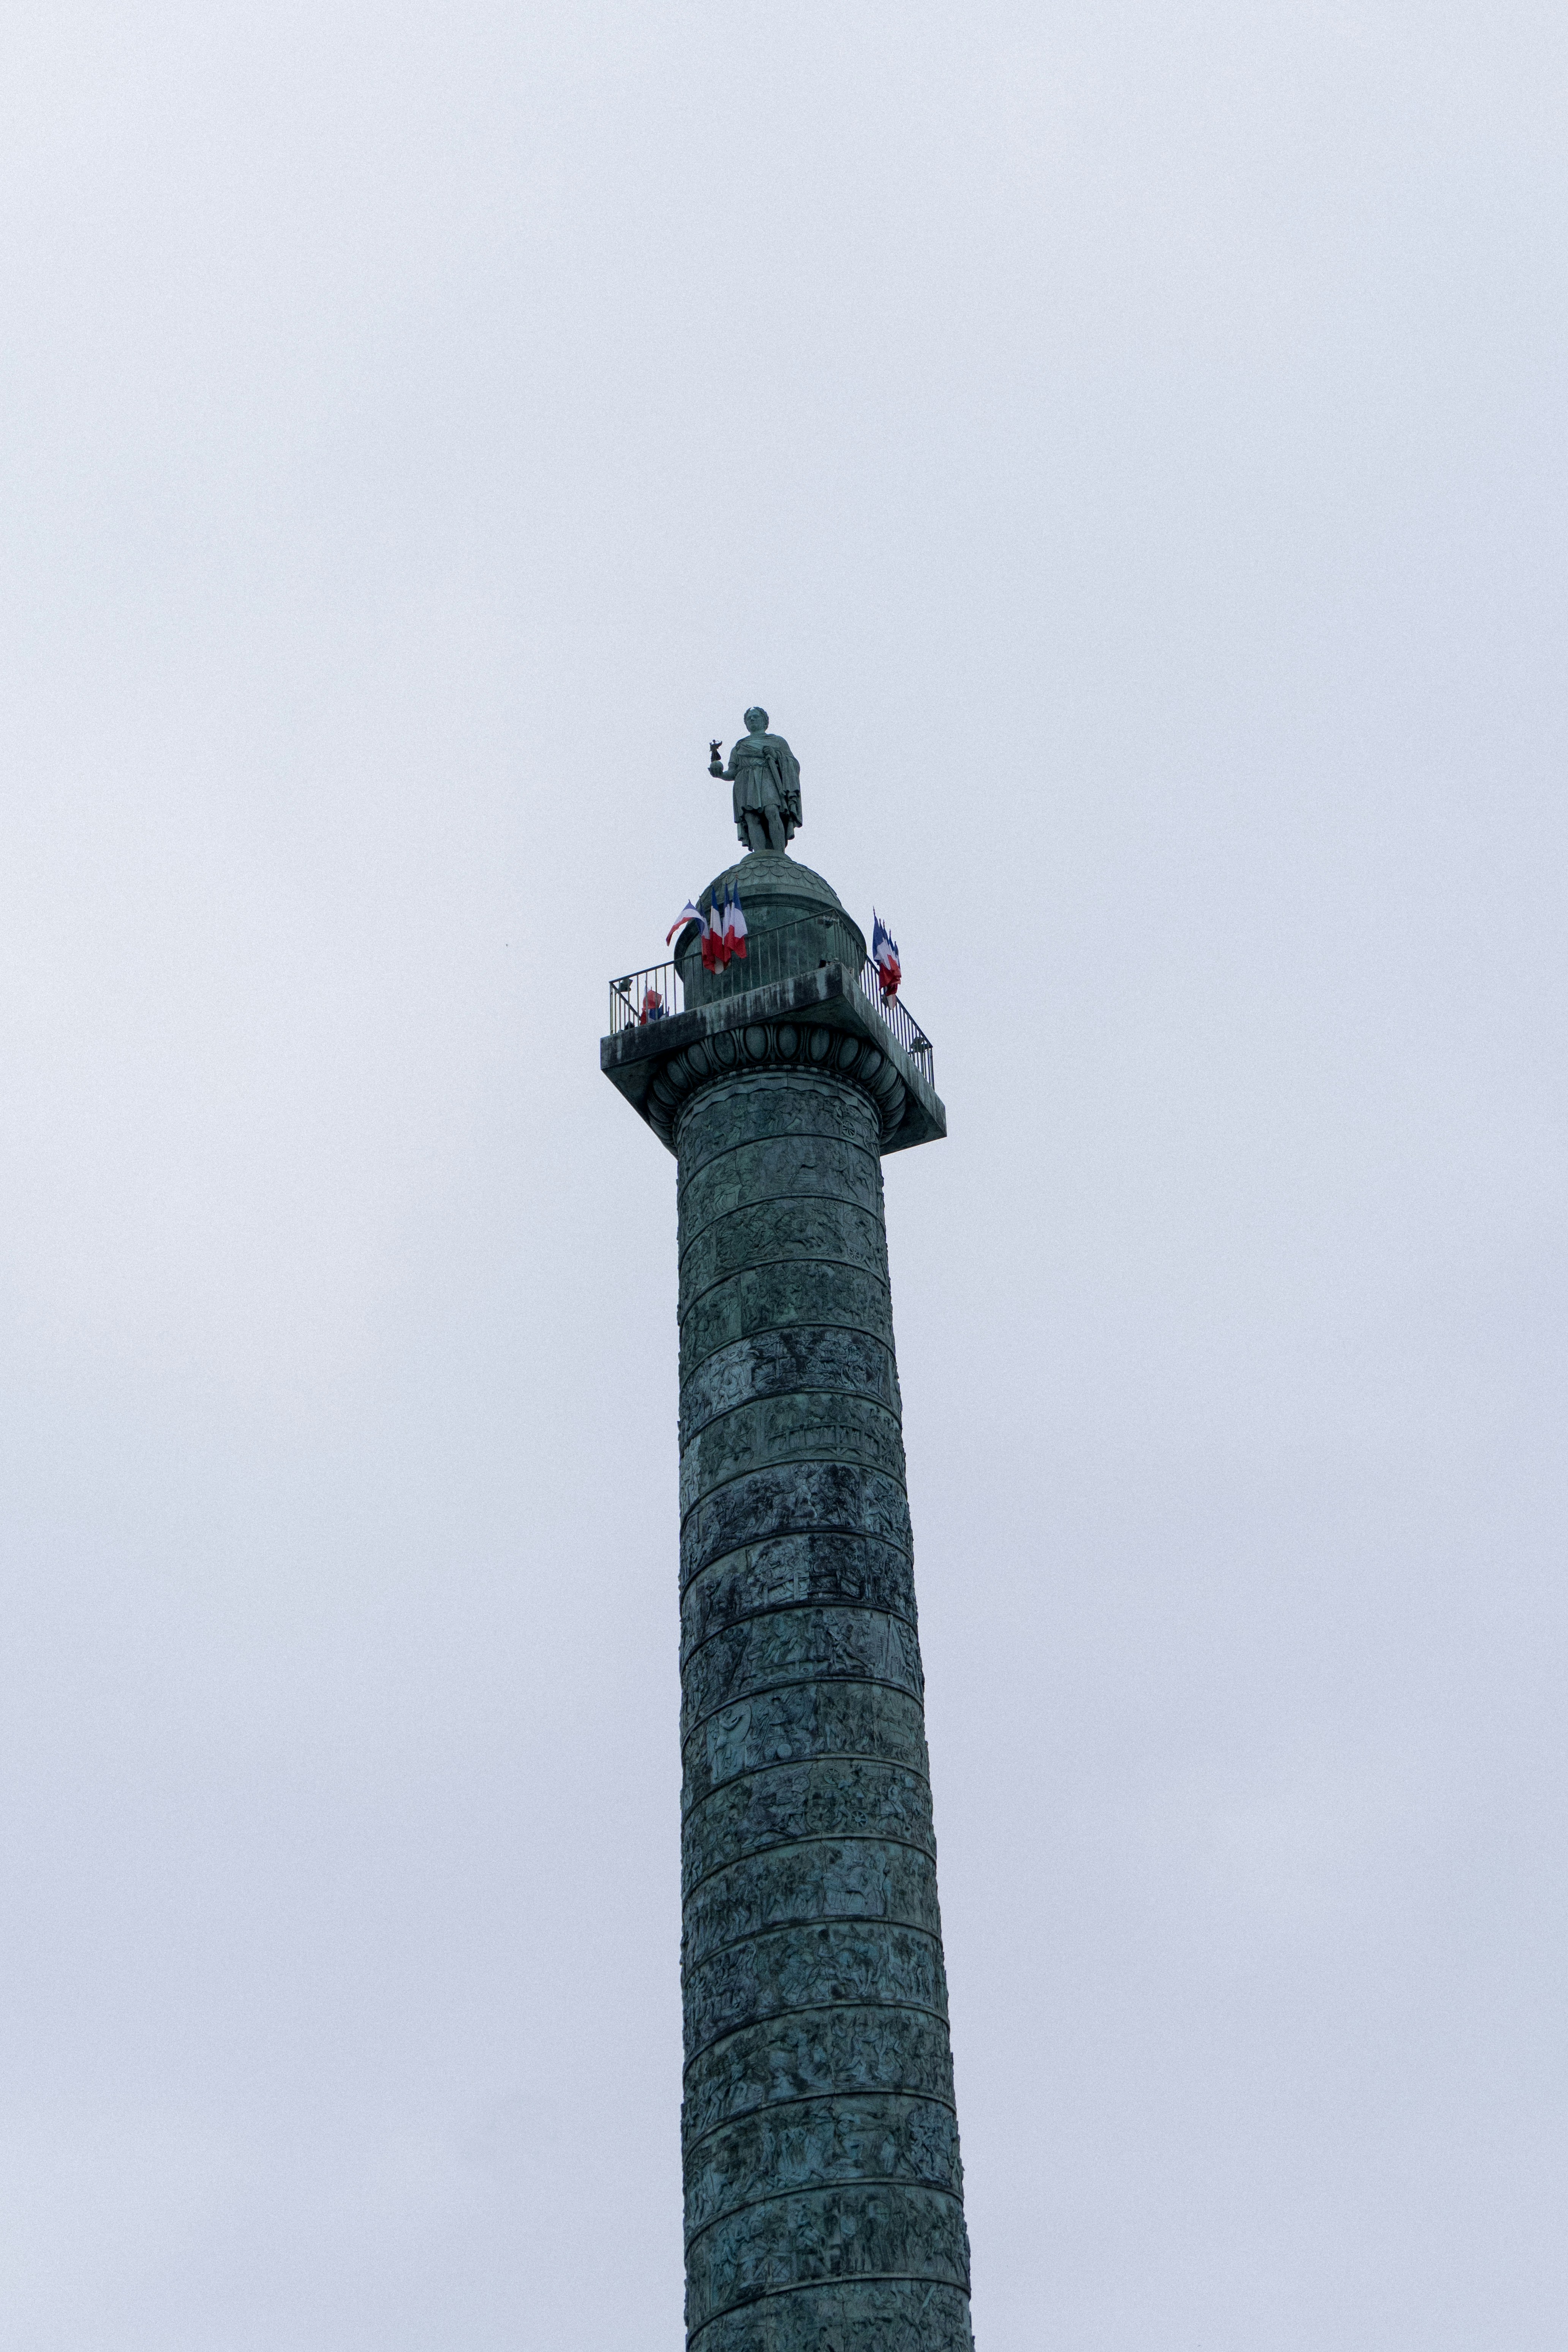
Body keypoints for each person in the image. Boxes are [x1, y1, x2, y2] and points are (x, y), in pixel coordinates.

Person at [708, 708, 802, 853]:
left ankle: (779, 853)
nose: (752, 719)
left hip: (767, 778)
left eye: (756, 717)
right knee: (752, 818)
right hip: (744, 782)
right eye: (749, 718)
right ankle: (760, 853)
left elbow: (794, 764)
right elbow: (733, 773)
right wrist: (720, 775)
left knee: (772, 811)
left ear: (765, 722)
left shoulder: (777, 741)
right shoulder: (739, 747)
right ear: (746, 724)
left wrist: (776, 755)